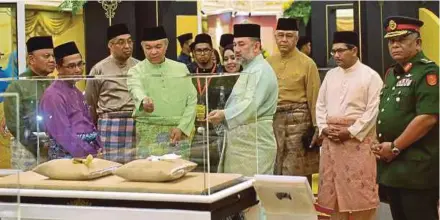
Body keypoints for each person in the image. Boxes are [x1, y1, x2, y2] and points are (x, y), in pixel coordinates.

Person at [373, 16, 439, 220]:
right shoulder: (392, 74)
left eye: (401, 40)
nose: (395, 46)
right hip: (393, 169)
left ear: (418, 43)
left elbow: (427, 118)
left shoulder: (428, 72)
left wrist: (394, 146)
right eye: (391, 41)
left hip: (416, 169)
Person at [316, 31, 382, 220]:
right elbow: (320, 105)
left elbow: (373, 111)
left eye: (340, 51)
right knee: (330, 193)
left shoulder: (371, 76)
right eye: (333, 51)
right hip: (331, 142)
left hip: (357, 144)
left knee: (359, 194)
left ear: (354, 50)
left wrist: (351, 132)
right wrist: (323, 128)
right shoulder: (330, 75)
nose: (336, 55)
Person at [208, 23, 278, 176]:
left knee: (253, 193)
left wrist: (224, 114)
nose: (236, 49)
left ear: (256, 46)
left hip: (255, 145)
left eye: (241, 44)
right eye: (234, 45)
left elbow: (251, 105)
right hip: (240, 143)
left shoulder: (261, 70)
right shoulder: (249, 69)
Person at [127, 26, 197, 159]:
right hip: (148, 132)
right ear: (142, 48)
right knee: (148, 174)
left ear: (166, 45)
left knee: (178, 174)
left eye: (158, 46)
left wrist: (182, 127)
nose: (153, 52)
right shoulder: (136, 71)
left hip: (177, 132)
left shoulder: (181, 69)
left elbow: (192, 100)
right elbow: (135, 88)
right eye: (148, 48)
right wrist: (144, 101)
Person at [266, 18, 321, 184]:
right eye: (280, 35)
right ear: (275, 37)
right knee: (275, 169)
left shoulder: (307, 63)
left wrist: (317, 126)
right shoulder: (268, 62)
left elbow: (315, 96)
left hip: (299, 123)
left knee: (298, 172)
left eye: (289, 36)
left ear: (296, 39)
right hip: (274, 121)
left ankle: (301, 209)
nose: (284, 39)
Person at [85, 23, 139, 163]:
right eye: (121, 42)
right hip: (109, 124)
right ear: (110, 45)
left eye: (129, 41)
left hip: (136, 123)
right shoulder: (99, 69)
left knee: (135, 169)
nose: (127, 46)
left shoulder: (140, 67)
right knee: (110, 167)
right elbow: (90, 102)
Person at [40, 42, 102, 159]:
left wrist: (98, 146)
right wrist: (89, 152)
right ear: (58, 68)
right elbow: (63, 134)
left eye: (80, 64)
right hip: (67, 155)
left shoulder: (77, 92)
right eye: (71, 66)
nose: (78, 70)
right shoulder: (53, 95)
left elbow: (89, 123)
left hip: (86, 152)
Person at [4, 36, 55, 170]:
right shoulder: (17, 86)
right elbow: (14, 124)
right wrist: (39, 144)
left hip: (53, 146)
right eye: (46, 56)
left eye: (53, 56)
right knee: (29, 188)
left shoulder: (54, 84)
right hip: (26, 147)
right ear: (32, 59)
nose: (52, 60)